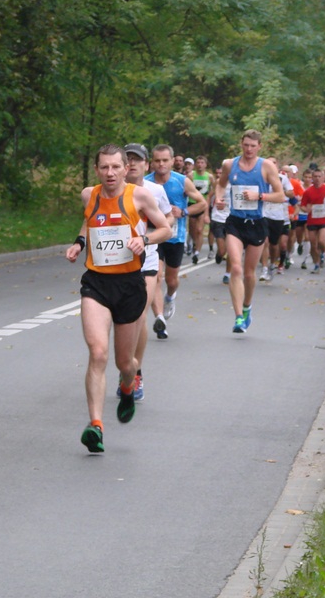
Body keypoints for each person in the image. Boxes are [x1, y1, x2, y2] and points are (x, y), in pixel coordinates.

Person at [66, 144, 172, 453]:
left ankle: (128, 386)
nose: (110, 173)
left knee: (125, 363)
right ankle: (96, 425)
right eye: (104, 167)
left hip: (129, 285)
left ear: (126, 169)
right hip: (97, 283)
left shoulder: (139, 196)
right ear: (96, 170)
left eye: (116, 167)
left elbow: (166, 229)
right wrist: (79, 242)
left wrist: (144, 239)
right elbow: (89, 219)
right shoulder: (90, 195)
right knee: (98, 353)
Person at [214, 130, 286, 332]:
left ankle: (247, 307)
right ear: (241, 144)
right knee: (236, 268)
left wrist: (259, 196)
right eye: (246, 145)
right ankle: (238, 317)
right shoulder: (230, 164)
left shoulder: (266, 166)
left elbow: (280, 196)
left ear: (259, 146)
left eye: (253, 146)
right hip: (235, 223)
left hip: (257, 223)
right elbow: (221, 184)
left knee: (248, 273)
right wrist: (219, 198)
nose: (249, 149)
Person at [122, 143, 173, 405]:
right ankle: (125, 366)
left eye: (137, 159)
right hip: (117, 263)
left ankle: (136, 372)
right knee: (122, 320)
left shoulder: (155, 190)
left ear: (146, 164)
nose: (132, 163)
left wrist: (149, 236)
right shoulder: (110, 190)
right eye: (127, 159)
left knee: (139, 316)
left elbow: (169, 220)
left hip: (147, 260)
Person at [147, 145, 207, 338]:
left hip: (175, 237)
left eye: (165, 160)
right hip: (153, 237)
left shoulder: (182, 181)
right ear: (151, 162)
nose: (161, 164)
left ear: (172, 161)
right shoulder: (145, 183)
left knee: (171, 281)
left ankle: (170, 297)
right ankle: (159, 319)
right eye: (157, 160)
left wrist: (184, 211)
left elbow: (202, 203)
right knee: (156, 276)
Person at [300, 167, 325, 274]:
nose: (317, 178)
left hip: (324, 220)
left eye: (319, 176)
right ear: (312, 178)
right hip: (312, 221)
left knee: (322, 241)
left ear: (323, 178)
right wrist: (306, 209)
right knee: (313, 245)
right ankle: (317, 264)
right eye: (315, 176)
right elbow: (302, 206)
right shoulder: (308, 191)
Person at [188, 155, 213, 263]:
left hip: (203, 205)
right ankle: (194, 243)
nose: (200, 165)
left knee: (199, 230)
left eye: (202, 163)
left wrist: (209, 202)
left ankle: (197, 252)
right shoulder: (191, 175)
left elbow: (212, 191)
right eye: (198, 163)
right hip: (192, 204)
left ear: (205, 165)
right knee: (192, 230)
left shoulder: (209, 177)